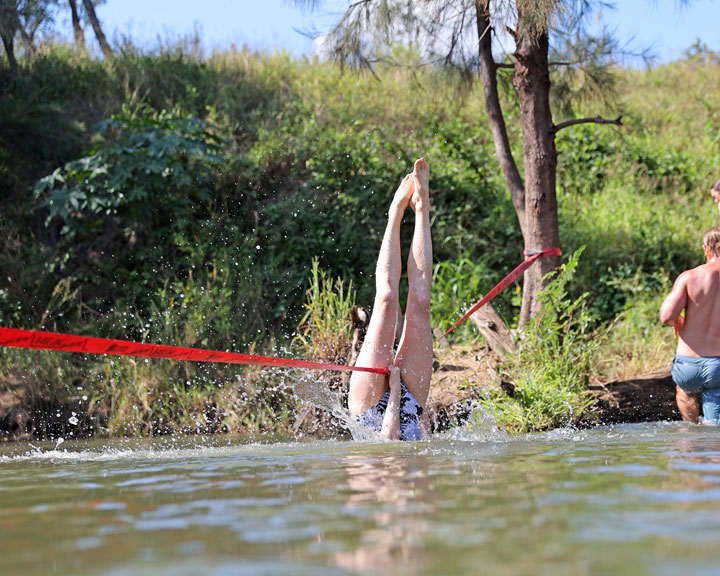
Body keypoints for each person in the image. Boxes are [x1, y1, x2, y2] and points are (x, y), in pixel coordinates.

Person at [348, 158, 433, 440]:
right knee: (420, 301)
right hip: (408, 411)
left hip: (368, 412)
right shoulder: (412, 483)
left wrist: (395, 389)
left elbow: (387, 443)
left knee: (386, 297)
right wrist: (396, 390)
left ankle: (395, 213)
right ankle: (421, 209)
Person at [660, 227, 720, 424]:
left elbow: (666, 315)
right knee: (715, 424)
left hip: (688, 363)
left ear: (705, 249)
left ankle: (691, 439)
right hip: (718, 365)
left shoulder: (690, 277)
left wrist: (678, 320)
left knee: (685, 392)